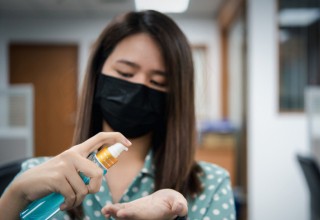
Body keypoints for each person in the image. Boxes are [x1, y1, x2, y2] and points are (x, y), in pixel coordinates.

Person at [0, 10, 236, 219]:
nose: (139, 87)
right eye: (125, 73)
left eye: (158, 81)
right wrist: (13, 198)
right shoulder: (35, 176)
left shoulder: (210, 186)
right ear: (98, 74)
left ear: (175, 96)